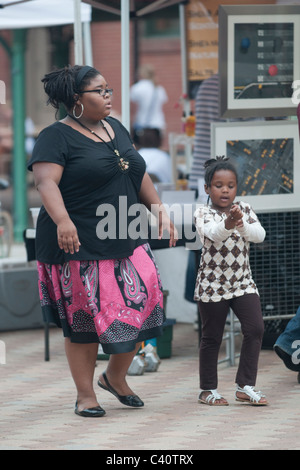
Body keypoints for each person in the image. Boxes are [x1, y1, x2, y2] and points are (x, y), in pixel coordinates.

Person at [27, 64, 177, 418]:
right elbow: (46, 183)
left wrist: (160, 211)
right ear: (76, 100)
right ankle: (85, 395)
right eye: (100, 90)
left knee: (144, 300)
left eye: (109, 88)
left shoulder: (116, 128)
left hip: (123, 233)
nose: (109, 95)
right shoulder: (56, 136)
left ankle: (114, 376)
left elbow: (137, 173)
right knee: (85, 318)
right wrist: (63, 221)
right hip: (77, 241)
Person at [193, 156, 268, 406]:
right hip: (212, 284)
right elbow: (214, 235)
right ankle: (207, 390)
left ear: (237, 188)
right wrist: (229, 223)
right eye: (218, 185)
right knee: (212, 337)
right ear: (207, 188)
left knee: (255, 328)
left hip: (242, 282)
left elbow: (259, 235)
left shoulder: (244, 208)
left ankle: (245, 386)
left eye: (230, 185)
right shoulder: (202, 212)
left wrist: (241, 223)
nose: (225, 190)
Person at [130, 64, 168, 145]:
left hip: (142, 124)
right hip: (158, 124)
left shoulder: (137, 87)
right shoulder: (159, 88)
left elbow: (132, 104)